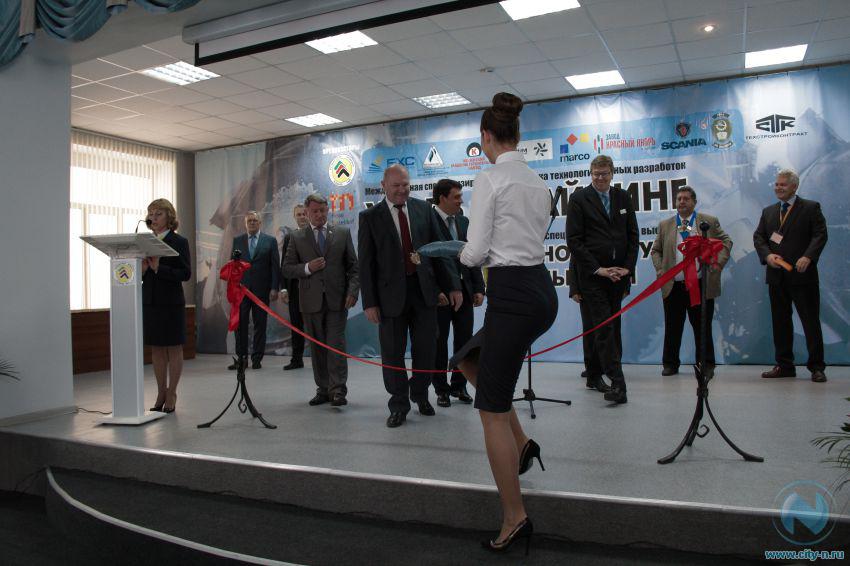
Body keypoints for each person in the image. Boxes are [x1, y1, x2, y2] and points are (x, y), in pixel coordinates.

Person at [449, 93, 558, 554]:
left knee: (490, 407)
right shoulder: (537, 181)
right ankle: (524, 444)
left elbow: (475, 253)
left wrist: (452, 252)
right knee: (468, 360)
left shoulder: (489, 178)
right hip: (540, 291)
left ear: (486, 137)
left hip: (512, 296)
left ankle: (514, 517)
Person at [358, 164, 462, 428]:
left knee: (426, 350)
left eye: (405, 185)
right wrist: (369, 302)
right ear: (384, 186)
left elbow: (440, 250)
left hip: (424, 293)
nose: (402, 190)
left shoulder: (423, 210)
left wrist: (452, 286)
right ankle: (398, 404)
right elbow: (366, 264)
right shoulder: (370, 217)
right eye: (396, 186)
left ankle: (420, 394)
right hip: (389, 298)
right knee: (392, 354)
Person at [566, 154, 638, 404]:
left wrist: (627, 269)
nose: (600, 178)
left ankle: (595, 375)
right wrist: (599, 269)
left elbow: (633, 236)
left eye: (604, 173)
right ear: (591, 173)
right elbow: (574, 241)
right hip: (593, 277)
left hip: (618, 277)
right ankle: (618, 384)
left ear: (612, 173)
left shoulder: (623, 197)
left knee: (610, 327)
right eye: (596, 174)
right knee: (603, 328)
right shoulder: (578, 199)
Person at [283, 194, 359, 406]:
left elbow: (354, 267)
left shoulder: (342, 233)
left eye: (323, 211)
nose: (319, 215)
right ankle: (323, 390)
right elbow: (287, 269)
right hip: (310, 302)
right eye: (315, 211)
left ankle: (338, 391)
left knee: (336, 345)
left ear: (328, 210)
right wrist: (307, 268)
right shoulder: (296, 237)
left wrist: (353, 291)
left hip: (338, 301)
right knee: (317, 349)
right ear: (307, 212)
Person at [753, 169, 828, 382]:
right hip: (776, 277)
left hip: (803, 276)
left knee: (810, 322)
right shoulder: (768, 211)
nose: (778, 188)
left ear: (794, 186)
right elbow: (759, 237)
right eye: (777, 184)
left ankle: (817, 367)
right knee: (780, 322)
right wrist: (767, 256)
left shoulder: (810, 208)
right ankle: (784, 365)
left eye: (783, 185)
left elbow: (820, 234)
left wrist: (808, 256)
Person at [650, 186, 732, 378]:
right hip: (674, 285)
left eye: (686, 199)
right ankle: (670, 364)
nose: (682, 202)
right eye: (679, 199)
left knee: (702, 326)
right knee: (673, 326)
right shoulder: (666, 225)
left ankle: (706, 364)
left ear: (694, 202)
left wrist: (718, 263)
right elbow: (655, 250)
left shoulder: (708, 222)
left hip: (701, 284)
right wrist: (661, 270)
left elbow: (726, 242)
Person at [430, 178, 485, 407]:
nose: (461, 201)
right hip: (441, 295)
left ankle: (459, 386)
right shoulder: (428, 220)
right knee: (439, 343)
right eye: (456, 197)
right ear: (442, 198)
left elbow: (472, 256)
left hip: (465, 291)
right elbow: (427, 261)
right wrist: (436, 291)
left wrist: (479, 287)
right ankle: (441, 389)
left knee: (464, 342)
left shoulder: (463, 221)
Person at [142, 198, 191, 414]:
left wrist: (158, 268)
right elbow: (142, 273)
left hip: (171, 301)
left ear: (169, 217)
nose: (153, 217)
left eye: (158, 213)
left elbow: (185, 273)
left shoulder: (179, 241)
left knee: (173, 348)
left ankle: (172, 392)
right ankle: (161, 391)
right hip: (151, 300)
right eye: (151, 213)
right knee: (157, 348)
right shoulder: (144, 242)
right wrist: (143, 270)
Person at [229, 211, 280, 370]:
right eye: (249, 220)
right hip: (242, 290)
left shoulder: (270, 241)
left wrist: (274, 288)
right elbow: (233, 266)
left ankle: (257, 358)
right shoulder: (237, 241)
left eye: (254, 220)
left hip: (262, 291)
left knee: (260, 324)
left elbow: (275, 267)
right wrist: (232, 287)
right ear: (245, 224)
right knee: (240, 325)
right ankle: (242, 358)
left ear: (260, 223)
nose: (252, 223)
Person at [281, 204, 309, 370]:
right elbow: (284, 265)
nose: (302, 217)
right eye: (298, 214)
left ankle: (322, 360)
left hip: (314, 289)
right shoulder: (289, 238)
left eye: (304, 214)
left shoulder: (317, 235)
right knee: (296, 326)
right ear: (294, 217)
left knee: (317, 326)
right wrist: (284, 288)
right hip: (294, 290)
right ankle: (297, 359)